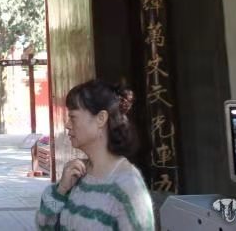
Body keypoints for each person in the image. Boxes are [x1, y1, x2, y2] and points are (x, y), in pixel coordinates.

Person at [36, 79, 155, 231]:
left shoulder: (127, 185)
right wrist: (61, 191)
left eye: (73, 117)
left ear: (101, 118)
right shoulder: (76, 174)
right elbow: (44, 225)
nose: (67, 125)